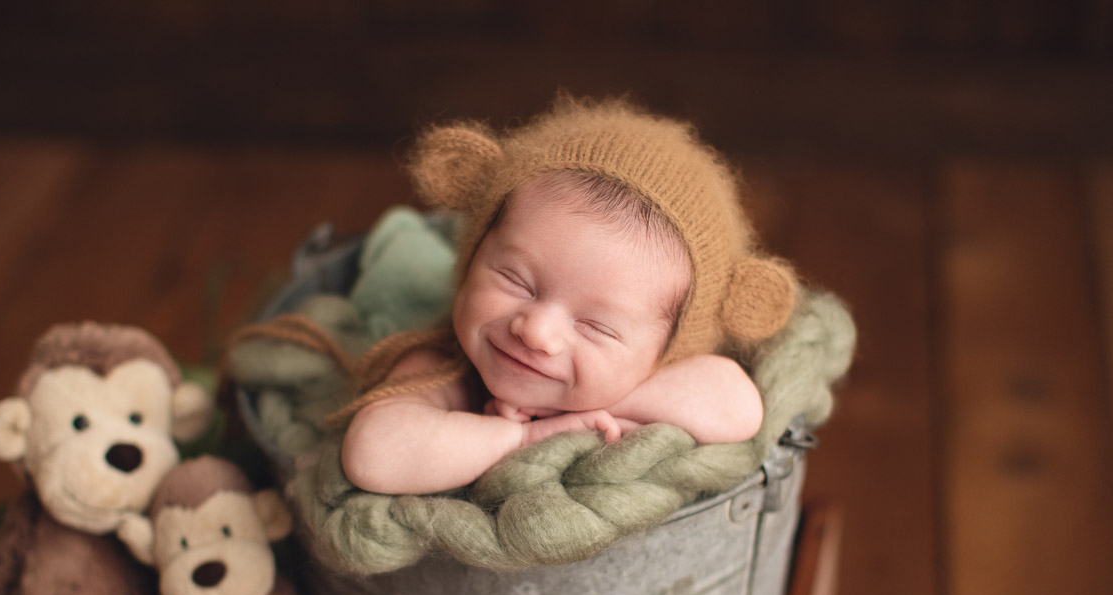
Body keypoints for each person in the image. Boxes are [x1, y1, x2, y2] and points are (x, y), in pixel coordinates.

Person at [339, 96, 799, 495]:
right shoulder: (443, 365)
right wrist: (520, 440)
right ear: (473, 256)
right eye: (516, 281)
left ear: (662, 355)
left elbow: (736, 407)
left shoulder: (644, 376)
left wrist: (597, 402)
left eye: (595, 326)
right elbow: (371, 455)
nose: (537, 331)